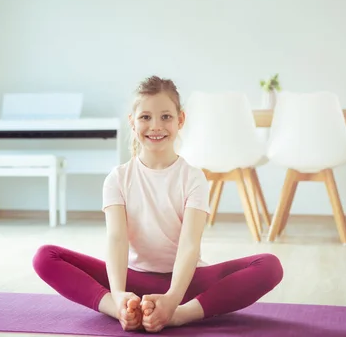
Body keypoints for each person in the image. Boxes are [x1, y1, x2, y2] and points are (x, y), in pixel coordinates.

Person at [32, 75, 283, 333]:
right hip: (133, 279)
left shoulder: (193, 178)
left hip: (186, 283)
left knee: (270, 266)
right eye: (145, 117)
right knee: (45, 257)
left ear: (180, 120)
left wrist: (174, 300)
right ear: (132, 122)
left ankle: (180, 315)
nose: (155, 126)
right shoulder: (117, 179)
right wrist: (118, 295)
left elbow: (189, 244)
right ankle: (117, 309)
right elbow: (117, 240)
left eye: (165, 117)